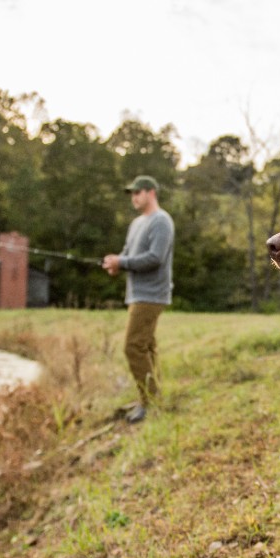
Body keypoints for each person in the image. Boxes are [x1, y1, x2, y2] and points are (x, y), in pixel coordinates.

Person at [102, 175, 174, 424]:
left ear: (151, 192)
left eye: (137, 192)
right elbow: (127, 253)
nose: (133, 197)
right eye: (131, 193)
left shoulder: (161, 221)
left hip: (151, 295)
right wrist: (115, 263)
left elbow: (155, 257)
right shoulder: (136, 223)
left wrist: (122, 262)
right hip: (136, 294)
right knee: (146, 347)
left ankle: (149, 401)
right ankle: (153, 398)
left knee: (133, 346)